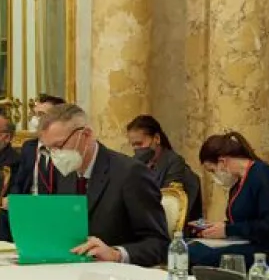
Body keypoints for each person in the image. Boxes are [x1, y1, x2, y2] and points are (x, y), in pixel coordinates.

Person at [35, 103, 169, 267]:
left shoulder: (130, 173)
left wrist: (116, 254)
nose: (55, 155)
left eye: (59, 146)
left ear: (86, 135)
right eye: (48, 150)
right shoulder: (64, 172)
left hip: (117, 278)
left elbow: (160, 244)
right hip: (71, 270)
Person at [188, 131, 269, 269]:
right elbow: (245, 222)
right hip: (249, 245)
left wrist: (228, 230)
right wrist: (218, 227)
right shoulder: (239, 182)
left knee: (195, 254)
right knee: (188, 245)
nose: (215, 177)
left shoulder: (264, 176)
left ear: (222, 162)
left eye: (212, 171)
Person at [125, 114, 201, 223]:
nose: (136, 149)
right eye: (133, 145)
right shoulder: (135, 164)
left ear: (156, 138)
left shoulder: (174, 163)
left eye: (140, 144)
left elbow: (167, 200)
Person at [10, 94, 66, 196]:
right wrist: (13, 202)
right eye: (34, 114)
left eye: (41, 114)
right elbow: (18, 184)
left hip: (59, 207)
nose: (35, 119)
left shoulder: (68, 148)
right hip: (30, 206)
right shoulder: (28, 148)